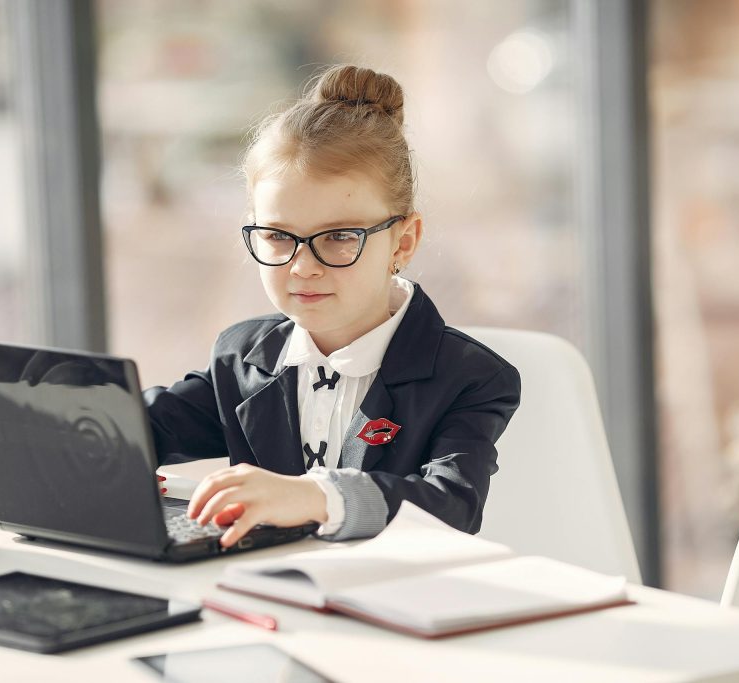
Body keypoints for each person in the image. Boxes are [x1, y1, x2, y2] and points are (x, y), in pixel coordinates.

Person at [144, 64, 521, 548]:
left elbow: (452, 505)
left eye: (340, 237)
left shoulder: (469, 377)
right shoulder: (241, 357)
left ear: (403, 243)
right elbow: (142, 428)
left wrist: (314, 496)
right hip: (272, 596)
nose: (302, 266)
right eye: (279, 236)